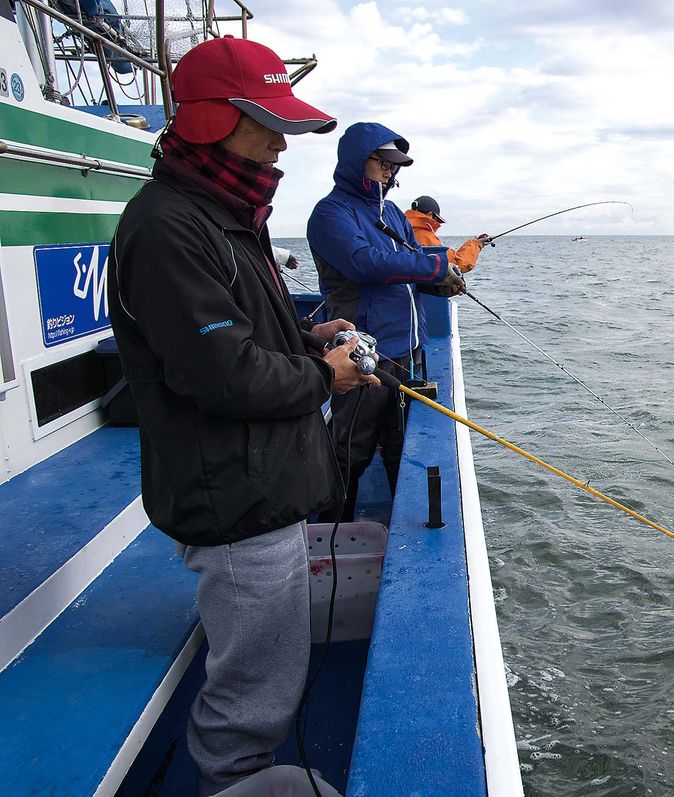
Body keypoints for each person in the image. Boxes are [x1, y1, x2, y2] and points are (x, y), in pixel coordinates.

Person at [107, 36, 375, 797]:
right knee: (253, 676)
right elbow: (218, 373)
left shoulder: (224, 207)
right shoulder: (167, 226)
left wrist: (304, 336)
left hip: (259, 484)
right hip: (234, 497)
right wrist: (324, 375)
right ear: (204, 120)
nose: (277, 140)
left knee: (271, 657)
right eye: (261, 121)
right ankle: (231, 782)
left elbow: (239, 332)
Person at [307, 123, 464, 521]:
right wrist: (437, 263)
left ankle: (398, 522)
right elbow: (364, 263)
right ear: (360, 161)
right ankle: (330, 529)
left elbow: (409, 263)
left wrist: (439, 283)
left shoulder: (391, 211)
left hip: (407, 347)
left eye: (396, 166)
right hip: (365, 348)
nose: (390, 172)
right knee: (351, 448)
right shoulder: (331, 213)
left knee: (400, 440)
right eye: (383, 162)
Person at [404, 195, 491, 273]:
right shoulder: (426, 237)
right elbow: (457, 265)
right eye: (436, 220)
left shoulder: (400, 229)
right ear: (430, 215)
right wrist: (476, 244)